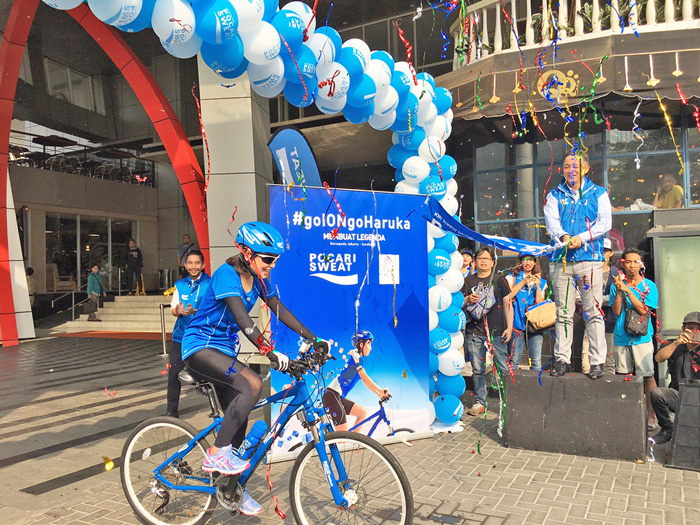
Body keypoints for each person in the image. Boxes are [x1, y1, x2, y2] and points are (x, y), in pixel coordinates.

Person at [181, 221, 321, 516]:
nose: (272, 265)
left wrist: (312, 337)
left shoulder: (259, 280)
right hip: (200, 348)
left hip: (223, 353)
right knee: (254, 385)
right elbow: (244, 320)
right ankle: (216, 455)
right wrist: (271, 353)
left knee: (239, 420)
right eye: (268, 259)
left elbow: (278, 308)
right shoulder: (225, 276)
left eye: (275, 260)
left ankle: (230, 489)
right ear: (246, 253)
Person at [544, 152, 612, 379]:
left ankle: (597, 362)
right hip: (560, 261)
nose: (570, 170)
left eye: (575, 166)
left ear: (585, 169)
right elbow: (552, 222)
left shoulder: (599, 193)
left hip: (589, 259)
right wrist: (564, 237)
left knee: (593, 312)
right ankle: (562, 360)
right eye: (565, 166)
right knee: (563, 313)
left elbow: (605, 222)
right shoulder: (554, 195)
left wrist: (581, 238)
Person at [610, 248, 659, 429]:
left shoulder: (649, 286)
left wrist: (628, 290)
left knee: (647, 376)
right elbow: (615, 311)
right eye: (628, 262)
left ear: (641, 264)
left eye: (635, 262)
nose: (632, 265)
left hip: (642, 338)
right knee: (623, 377)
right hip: (621, 337)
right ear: (623, 263)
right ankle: (627, 415)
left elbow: (645, 310)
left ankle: (652, 416)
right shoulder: (619, 282)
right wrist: (618, 291)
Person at [462, 247, 513, 416]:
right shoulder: (468, 281)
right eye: (480, 258)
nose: (483, 261)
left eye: (486, 258)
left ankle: (510, 399)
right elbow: (458, 303)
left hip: (497, 331)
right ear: (475, 261)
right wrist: (468, 298)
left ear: (492, 262)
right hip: (474, 331)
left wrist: (510, 327)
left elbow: (508, 304)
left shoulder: (499, 280)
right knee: (477, 369)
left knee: (502, 366)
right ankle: (479, 401)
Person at [166, 250, 210, 418]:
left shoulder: (210, 284)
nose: (193, 266)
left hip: (202, 337)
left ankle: (219, 410)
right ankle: (171, 411)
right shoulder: (180, 285)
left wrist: (194, 311)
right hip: (181, 336)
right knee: (173, 374)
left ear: (203, 265)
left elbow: (212, 309)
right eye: (190, 263)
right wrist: (177, 310)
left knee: (209, 372)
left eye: (197, 263)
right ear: (185, 265)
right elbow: (173, 309)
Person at [322, 330, 390, 432]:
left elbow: (365, 381)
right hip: (332, 396)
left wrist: (379, 393)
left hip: (335, 396)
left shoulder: (357, 358)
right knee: (342, 438)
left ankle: (355, 447)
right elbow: (364, 376)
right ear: (361, 345)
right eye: (369, 344)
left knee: (362, 412)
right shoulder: (356, 357)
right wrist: (379, 391)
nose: (371, 348)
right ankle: (348, 445)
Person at [649, 312, 700, 444]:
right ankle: (667, 429)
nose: (694, 332)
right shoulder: (673, 344)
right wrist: (677, 343)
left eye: (698, 329)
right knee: (657, 393)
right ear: (683, 329)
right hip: (678, 395)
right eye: (690, 328)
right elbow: (658, 358)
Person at [505, 254, 548, 372]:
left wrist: (538, 286)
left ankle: (536, 389)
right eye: (524, 260)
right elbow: (508, 296)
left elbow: (540, 303)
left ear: (535, 262)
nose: (528, 263)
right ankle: (511, 388)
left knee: (536, 361)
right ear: (520, 262)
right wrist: (523, 282)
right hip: (516, 324)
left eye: (530, 260)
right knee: (514, 360)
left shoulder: (542, 281)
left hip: (535, 325)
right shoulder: (512, 277)